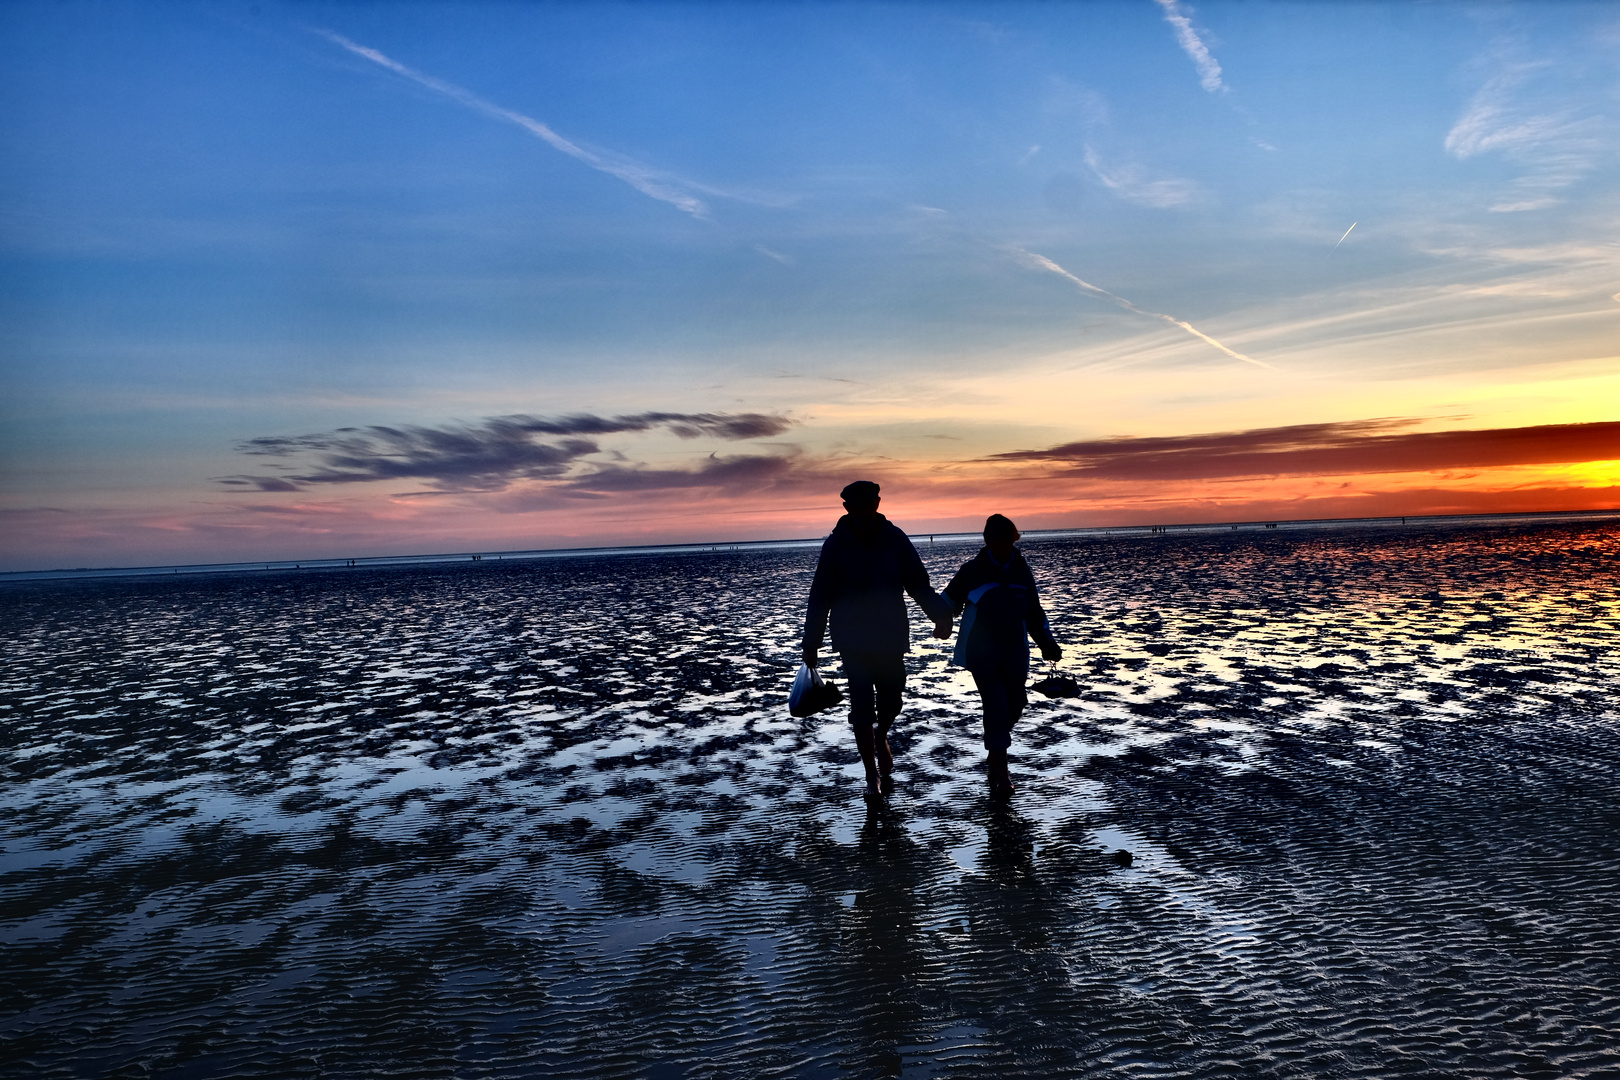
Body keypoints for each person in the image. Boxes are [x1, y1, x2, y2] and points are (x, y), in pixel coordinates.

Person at [802, 481, 950, 797]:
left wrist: (940, 615)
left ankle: (880, 735)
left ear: (878, 502)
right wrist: (811, 643)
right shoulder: (836, 545)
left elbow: (919, 584)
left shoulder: (895, 539)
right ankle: (872, 776)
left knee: (893, 698)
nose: (865, 510)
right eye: (857, 505)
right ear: (847, 509)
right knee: (861, 708)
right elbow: (820, 596)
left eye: (869, 503)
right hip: (851, 639)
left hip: (890, 635)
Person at [940, 514, 1062, 798]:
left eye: (1008, 541)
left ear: (1013, 539)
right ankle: (1002, 774)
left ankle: (995, 748)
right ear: (988, 541)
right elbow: (946, 600)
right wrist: (943, 620)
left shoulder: (1022, 570)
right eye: (997, 541)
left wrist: (1048, 644)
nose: (1003, 546)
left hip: (1015, 650)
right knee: (995, 703)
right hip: (980, 651)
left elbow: (1034, 612)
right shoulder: (972, 570)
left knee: (1016, 702)